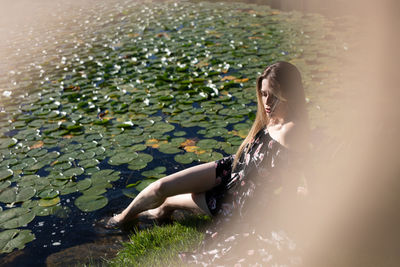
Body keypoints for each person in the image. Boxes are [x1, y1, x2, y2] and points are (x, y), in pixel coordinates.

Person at [103, 61, 309, 230]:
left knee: (168, 200)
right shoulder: (273, 117)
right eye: (264, 94)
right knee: (160, 187)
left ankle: (144, 217)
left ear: (289, 94)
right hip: (232, 167)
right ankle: (125, 217)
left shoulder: (293, 131)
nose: (267, 102)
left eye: (274, 96)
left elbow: (304, 172)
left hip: (237, 197)